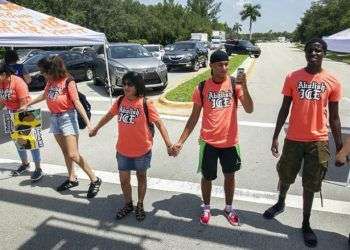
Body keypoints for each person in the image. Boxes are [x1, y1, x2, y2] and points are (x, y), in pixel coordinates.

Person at [262, 38, 343, 248]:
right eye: (310, 51)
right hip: (294, 139)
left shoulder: (332, 81)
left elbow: (334, 117)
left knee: (311, 184)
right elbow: (284, 108)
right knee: (286, 175)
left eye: (317, 51)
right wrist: (275, 135)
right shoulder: (293, 77)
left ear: (324, 53)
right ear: (305, 53)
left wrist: (341, 146)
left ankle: (305, 223)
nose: (313, 54)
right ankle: (280, 202)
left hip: (318, 141)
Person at [172, 50, 254, 225]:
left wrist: (245, 87)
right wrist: (180, 141)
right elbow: (193, 117)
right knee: (207, 177)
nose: (224, 68)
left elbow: (249, 109)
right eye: (220, 65)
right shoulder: (201, 87)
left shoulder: (234, 84)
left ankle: (229, 208)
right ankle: (207, 207)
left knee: (230, 176)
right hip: (208, 141)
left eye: (226, 64)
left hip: (230, 142)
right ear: (211, 66)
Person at [89, 71, 173, 221]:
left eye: (130, 84)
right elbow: (109, 115)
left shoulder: (146, 103)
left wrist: (169, 144)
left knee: (141, 177)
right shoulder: (120, 100)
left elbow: (159, 124)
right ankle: (128, 204)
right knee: (124, 180)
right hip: (123, 150)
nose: (126, 87)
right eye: (124, 84)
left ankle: (140, 204)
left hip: (142, 150)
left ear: (138, 86)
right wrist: (96, 128)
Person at [24, 56, 102, 198]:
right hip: (55, 118)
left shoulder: (68, 81)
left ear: (52, 70)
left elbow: (77, 102)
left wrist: (90, 125)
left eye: (44, 71)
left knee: (73, 154)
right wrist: (29, 103)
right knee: (66, 152)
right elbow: (44, 95)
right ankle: (72, 178)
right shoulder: (51, 81)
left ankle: (95, 179)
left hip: (68, 118)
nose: (42, 74)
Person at [0, 62, 43, 182]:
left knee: (31, 142)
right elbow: (3, 101)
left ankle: (38, 168)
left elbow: (24, 103)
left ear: (4, 74)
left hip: (24, 112)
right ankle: (25, 164)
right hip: (10, 112)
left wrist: (18, 120)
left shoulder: (18, 82)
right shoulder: (1, 82)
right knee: (17, 141)